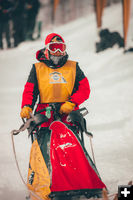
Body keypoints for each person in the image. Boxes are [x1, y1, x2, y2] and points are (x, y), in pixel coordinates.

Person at [20, 33, 106, 200]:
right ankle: (46, 183)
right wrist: (26, 106)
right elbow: (30, 90)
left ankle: (82, 181)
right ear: (46, 50)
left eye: (61, 48)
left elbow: (84, 89)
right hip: (45, 113)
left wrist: (72, 103)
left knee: (71, 144)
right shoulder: (37, 69)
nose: (58, 53)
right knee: (45, 145)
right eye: (54, 48)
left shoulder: (73, 67)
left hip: (67, 111)